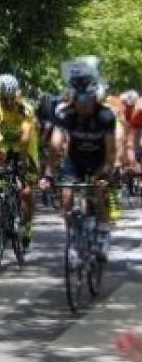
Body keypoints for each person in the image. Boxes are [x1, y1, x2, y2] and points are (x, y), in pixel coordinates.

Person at [42, 67, 117, 260]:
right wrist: (48, 174)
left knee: (100, 193)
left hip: (99, 160)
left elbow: (111, 152)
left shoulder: (105, 116)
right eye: (79, 100)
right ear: (73, 98)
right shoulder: (65, 114)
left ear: (94, 99)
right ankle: (74, 238)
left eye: (87, 100)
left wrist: (106, 174)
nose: (83, 105)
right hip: (75, 160)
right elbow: (55, 146)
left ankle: (103, 232)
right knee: (67, 197)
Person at [0, 73, 39, 249]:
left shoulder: (25, 109)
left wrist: (22, 161)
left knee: (26, 192)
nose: (9, 103)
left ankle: (27, 227)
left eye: (12, 98)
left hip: (25, 146)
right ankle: (1, 199)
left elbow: (25, 139)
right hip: (5, 142)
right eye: (5, 99)